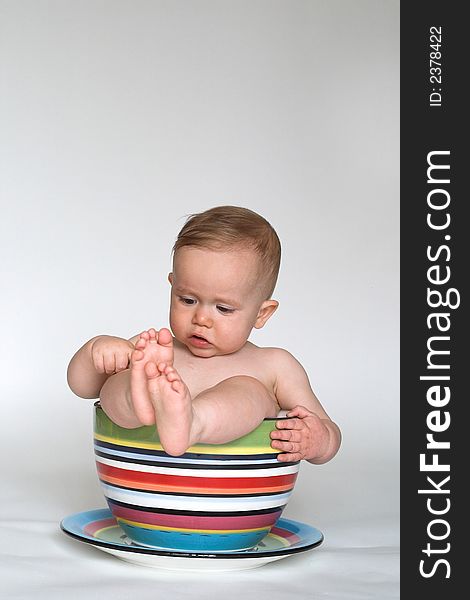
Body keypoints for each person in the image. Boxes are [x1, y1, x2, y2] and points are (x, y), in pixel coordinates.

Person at [67, 206, 341, 463]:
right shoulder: (154, 350)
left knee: (248, 390)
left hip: (230, 494)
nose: (201, 319)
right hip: (143, 474)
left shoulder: (275, 365)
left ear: (261, 313)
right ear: (172, 287)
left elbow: (329, 431)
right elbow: (82, 387)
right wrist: (98, 350)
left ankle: (193, 422)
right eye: (187, 300)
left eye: (223, 308)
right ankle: (141, 399)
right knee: (131, 377)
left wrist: (317, 440)